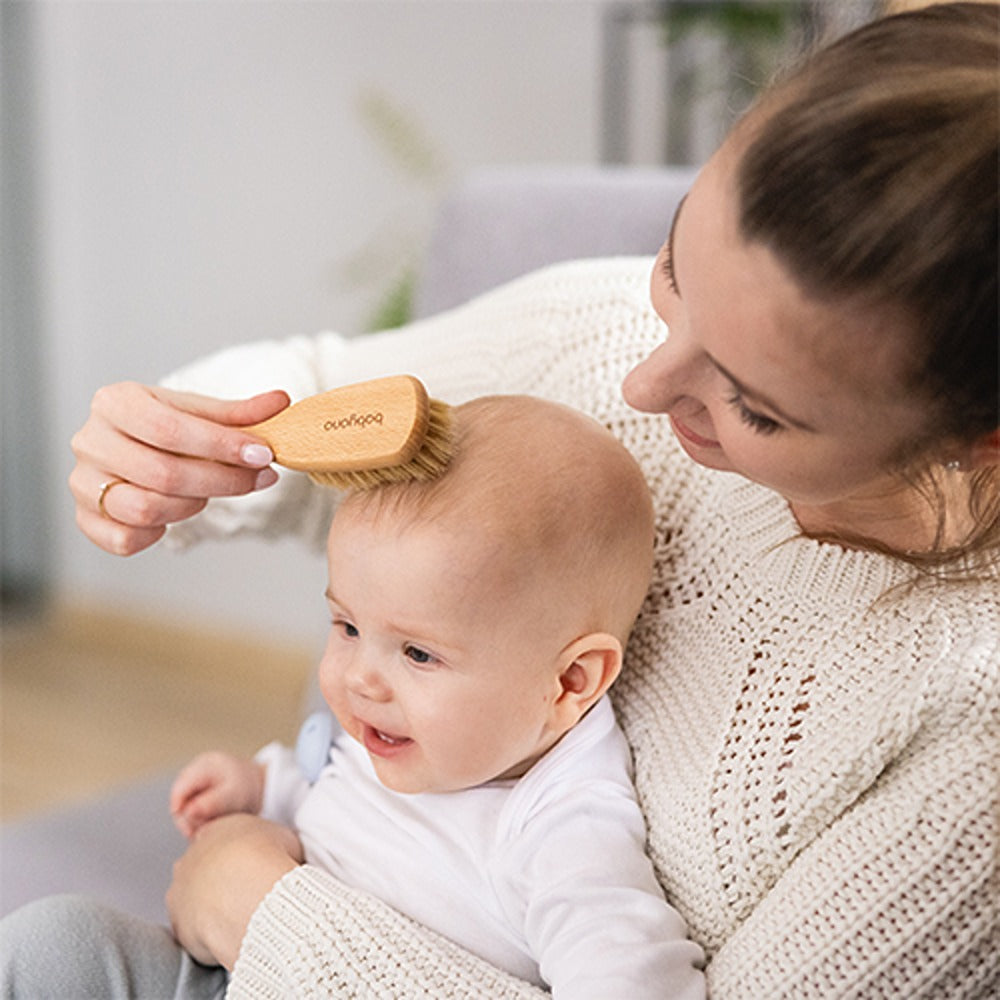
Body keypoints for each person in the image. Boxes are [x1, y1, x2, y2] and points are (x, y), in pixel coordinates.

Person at [10, 2, 1000, 997]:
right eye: (673, 271)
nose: (642, 386)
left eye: (753, 404)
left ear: (976, 439)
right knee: (52, 945)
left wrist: (264, 910)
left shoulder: (969, 744)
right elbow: (315, 391)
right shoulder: (597, 335)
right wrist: (167, 454)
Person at [165, 394, 704, 998]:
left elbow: (634, 981)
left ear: (570, 682)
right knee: (78, 942)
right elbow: (340, 802)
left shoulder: (563, 840)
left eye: (419, 654)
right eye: (347, 627)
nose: (361, 679)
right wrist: (264, 787)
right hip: (234, 970)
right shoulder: (416, 738)